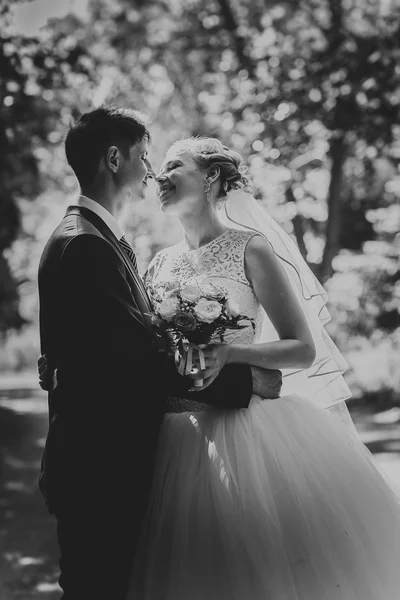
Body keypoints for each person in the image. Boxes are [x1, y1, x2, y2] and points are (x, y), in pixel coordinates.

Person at [125, 136, 400, 600]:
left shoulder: (250, 248)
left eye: (175, 165)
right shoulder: (157, 263)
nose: (159, 177)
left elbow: (300, 348)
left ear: (211, 176)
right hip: (173, 433)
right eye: (159, 169)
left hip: (243, 430)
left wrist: (232, 354)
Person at [37, 108, 282, 599]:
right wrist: (247, 378)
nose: (150, 171)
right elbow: (133, 362)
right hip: (99, 467)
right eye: (145, 157)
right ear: (113, 159)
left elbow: (118, 343)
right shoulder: (86, 245)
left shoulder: (101, 240)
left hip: (124, 456)